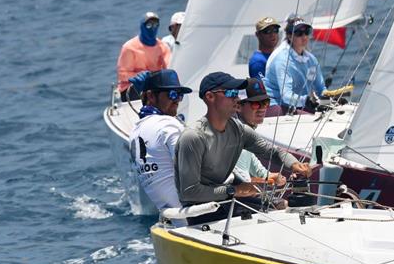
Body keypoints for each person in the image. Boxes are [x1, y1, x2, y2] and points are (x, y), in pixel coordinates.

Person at [175, 71, 311, 224]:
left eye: (237, 93)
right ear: (210, 97)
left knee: (286, 210)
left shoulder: (238, 130)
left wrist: (294, 164)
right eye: (231, 93)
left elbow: (273, 151)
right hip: (204, 214)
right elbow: (189, 193)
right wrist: (234, 190)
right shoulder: (193, 137)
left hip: (229, 204)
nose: (237, 98)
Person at [128, 69, 192, 220]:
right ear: (150, 96)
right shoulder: (168, 124)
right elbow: (193, 167)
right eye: (172, 94)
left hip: (172, 217)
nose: (177, 100)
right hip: (195, 215)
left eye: (180, 95)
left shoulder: (135, 132)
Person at [263, 17, 327, 114]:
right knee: (312, 117)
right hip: (275, 104)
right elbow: (286, 95)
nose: (304, 36)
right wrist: (306, 101)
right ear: (289, 36)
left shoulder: (311, 60)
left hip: (298, 105)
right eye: (299, 33)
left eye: (307, 32)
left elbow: (320, 88)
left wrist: (330, 100)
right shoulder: (283, 60)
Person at [233, 78, 286, 188]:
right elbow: (242, 181)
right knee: (282, 203)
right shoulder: (235, 134)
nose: (262, 108)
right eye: (256, 104)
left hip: (242, 195)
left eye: (265, 103)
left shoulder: (247, 132)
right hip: (232, 199)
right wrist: (267, 180)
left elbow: (252, 161)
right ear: (238, 106)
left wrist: (268, 175)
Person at [116, 12, 171, 101]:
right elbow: (122, 75)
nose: (152, 28)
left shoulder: (163, 47)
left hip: (155, 86)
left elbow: (169, 67)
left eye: (156, 25)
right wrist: (139, 76)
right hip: (132, 87)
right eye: (149, 25)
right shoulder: (129, 47)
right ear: (142, 26)